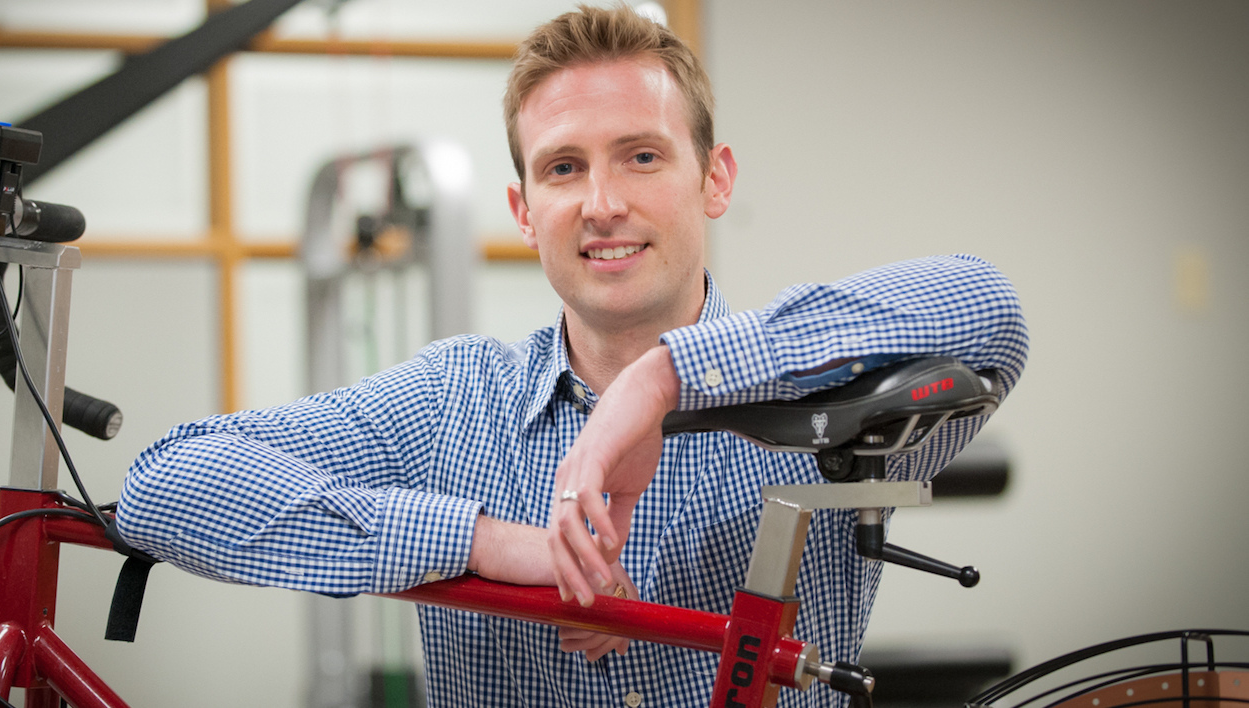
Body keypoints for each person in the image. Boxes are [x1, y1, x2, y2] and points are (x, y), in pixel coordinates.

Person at [116, 5, 1028, 707]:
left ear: (715, 180)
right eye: (563, 168)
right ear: (522, 212)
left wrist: (661, 382)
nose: (601, 203)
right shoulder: (455, 399)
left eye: (640, 156)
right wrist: (496, 547)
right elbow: (164, 483)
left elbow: (989, 310)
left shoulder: (831, 391)